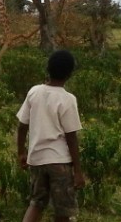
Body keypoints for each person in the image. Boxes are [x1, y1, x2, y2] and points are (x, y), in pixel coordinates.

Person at [16, 50, 84, 222]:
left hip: (37, 159)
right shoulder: (68, 99)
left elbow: (22, 126)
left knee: (36, 203)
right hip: (59, 162)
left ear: (48, 68)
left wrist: (21, 152)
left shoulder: (34, 92)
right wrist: (77, 170)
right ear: (69, 74)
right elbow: (71, 137)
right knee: (63, 211)